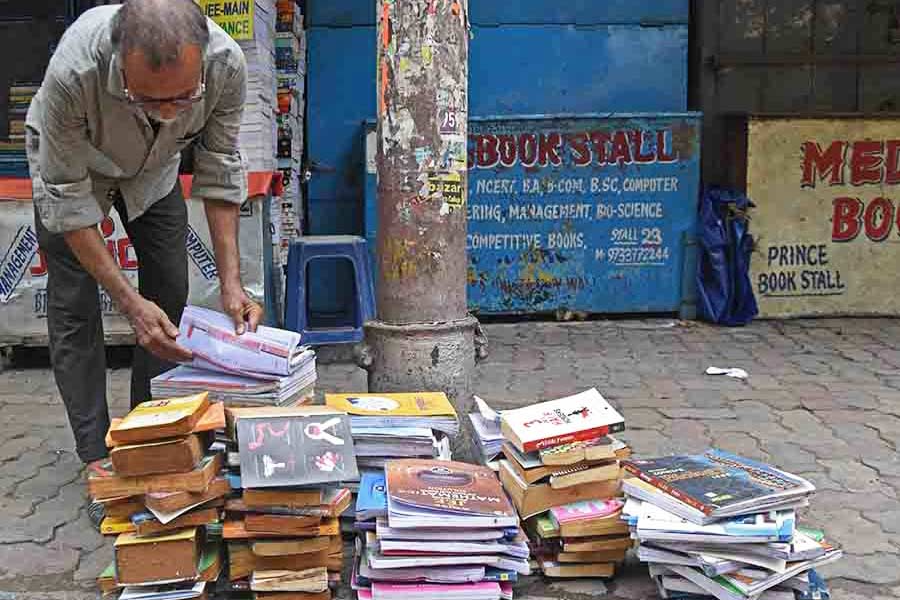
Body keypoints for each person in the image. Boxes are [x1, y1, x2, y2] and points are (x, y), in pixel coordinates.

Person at [25, 0, 263, 525]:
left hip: (155, 172)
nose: (170, 112)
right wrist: (128, 303)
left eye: (184, 98)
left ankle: (148, 436)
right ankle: (96, 456)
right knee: (73, 310)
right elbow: (67, 203)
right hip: (75, 171)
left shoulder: (225, 65)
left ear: (200, 61)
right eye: (149, 100)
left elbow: (221, 167)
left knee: (170, 296)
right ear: (119, 64)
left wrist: (232, 285)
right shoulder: (73, 73)